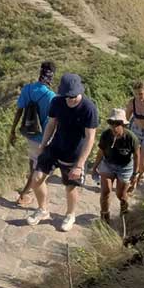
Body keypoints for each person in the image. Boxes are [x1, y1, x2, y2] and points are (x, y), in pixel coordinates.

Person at [25, 73, 99, 232]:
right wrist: (43, 145)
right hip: (55, 147)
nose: (70, 99)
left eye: (73, 95)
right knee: (36, 178)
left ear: (80, 91)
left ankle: (70, 215)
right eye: (67, 95)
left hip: (74, 154)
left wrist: (80, 164)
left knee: (70, 186)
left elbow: (90, 137)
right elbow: (51, 124)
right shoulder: (57, 102)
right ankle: (43, 209)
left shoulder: (89, 108)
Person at [8, 61, 57, 207]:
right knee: (39, 170)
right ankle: (23, 196)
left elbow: (19, 111)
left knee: (33, 165)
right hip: (43, 138)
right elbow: (53, 120)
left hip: (29, 133)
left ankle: (27, 193)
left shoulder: (27, 89)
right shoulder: (51, 96)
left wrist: (12, 131)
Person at [89, 108, 138, 222]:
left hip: (125, 168)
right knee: (105, 191)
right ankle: (104, 216)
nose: (114, 126)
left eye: (117, 123)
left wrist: (135, 174)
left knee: (120, 194)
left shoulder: (131, 138)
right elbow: (101, 152)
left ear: (123, 124)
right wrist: (95, 167)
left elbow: (136, 156)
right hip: (108, 164)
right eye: (111, 123)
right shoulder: (106, 135)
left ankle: (124, 210)